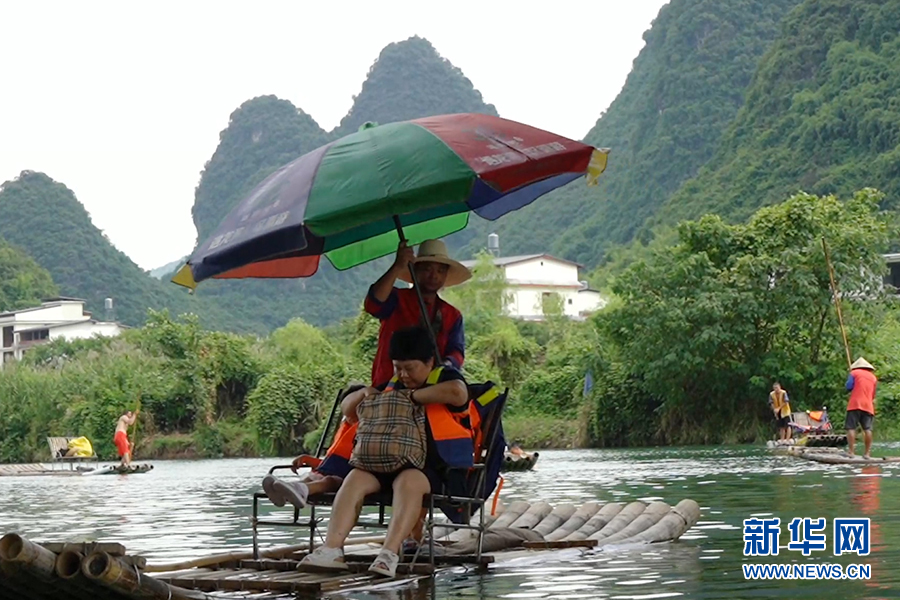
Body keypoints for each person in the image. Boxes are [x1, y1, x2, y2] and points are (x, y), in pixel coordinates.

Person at [299, 326, 472, 578]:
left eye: (410, 368)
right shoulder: (391, 384)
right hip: (383, 465)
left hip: (433, 469)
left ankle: (388, 554)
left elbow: (458, 393)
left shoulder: (446, 379)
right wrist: (364, 393)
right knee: (355, 477)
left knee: (409, 481)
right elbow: (348, 410)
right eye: (397, 367)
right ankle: (331, 549)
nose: (403, 375)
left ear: (429, 362)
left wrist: (411, 397)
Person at [365, 239, 471, 389]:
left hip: (431, 390)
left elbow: (456, 352)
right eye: (427, 269)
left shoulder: (453, 315)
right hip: (389, 385)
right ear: (415, 270)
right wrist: (397, 266)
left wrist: (445, 366)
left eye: (440, 271)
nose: (434, 276)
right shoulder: (396, 298)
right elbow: (373, 305)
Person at [845, 357, 877, 458]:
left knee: (851, 427)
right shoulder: (873, 378)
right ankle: (867, 453)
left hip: (855, 404)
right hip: (868, 406)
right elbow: (873, 395)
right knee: (867, 429)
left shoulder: (854, 373)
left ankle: (851, 452)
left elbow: (848, 386)